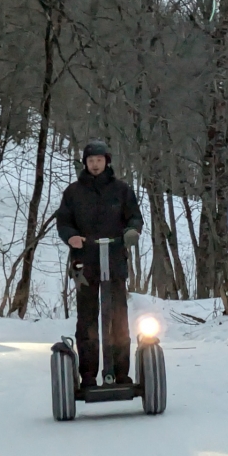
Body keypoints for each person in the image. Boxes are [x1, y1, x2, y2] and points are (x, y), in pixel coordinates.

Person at [56, 140, 143, 388]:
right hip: (85, 262)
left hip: (114, 260)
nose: (95, 165)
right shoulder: (73, 192)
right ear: (85, 163)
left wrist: (131, 231)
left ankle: (121, 373)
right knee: (87, 320)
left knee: (118, 318)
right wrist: (71, 236)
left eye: (99, 160)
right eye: (91, 161)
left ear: (107, 162)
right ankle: (88, 376)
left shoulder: (122, 190)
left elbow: (134, 217)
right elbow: (64, 222)